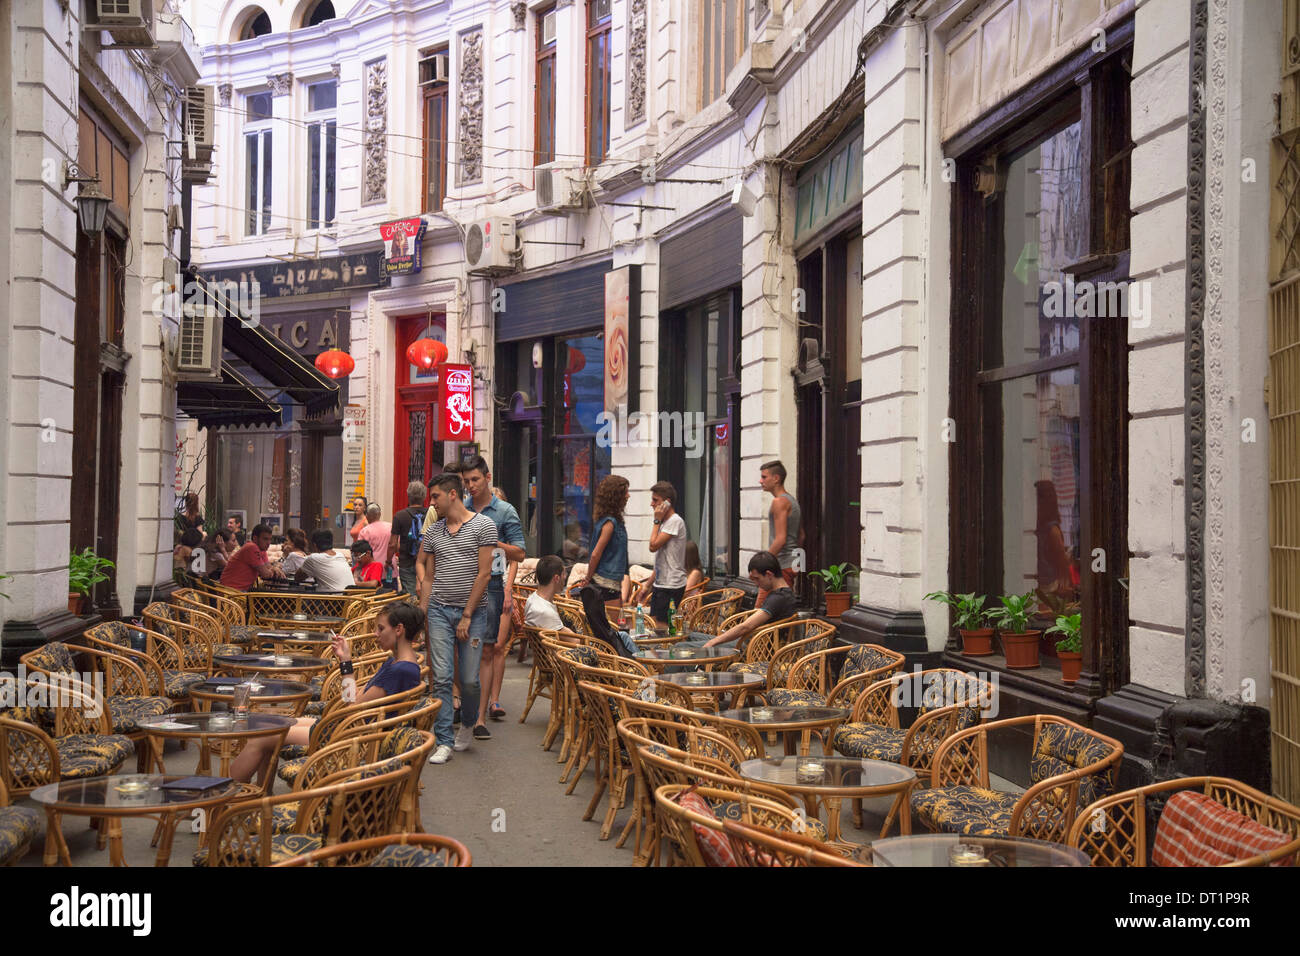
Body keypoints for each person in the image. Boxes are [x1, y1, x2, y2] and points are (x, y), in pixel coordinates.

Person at [228, 603, 424, 784]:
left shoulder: (399, 670)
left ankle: (224, 798)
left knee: (262, 735)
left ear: (399, 630)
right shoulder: (400, 664)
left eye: (381, 628)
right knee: (270, 724)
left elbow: (352, 707)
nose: (375, 634)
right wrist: (345, 661)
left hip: (354, 738)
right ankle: (259, 794)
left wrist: (346, 662)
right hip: (354, 730)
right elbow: (355, 698)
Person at [417, 472, 498, 764]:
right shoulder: (435, 532)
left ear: (452, 494)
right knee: (441, 677)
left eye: (436, 496)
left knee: (469, 679)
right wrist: (423, 613)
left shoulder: (484, 525)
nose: (432, 502)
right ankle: (444, 741)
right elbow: (429, 576)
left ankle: (467, 723)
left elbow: (485, 573)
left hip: (472, 614)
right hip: (439, 610)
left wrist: (466, 614)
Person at [462, 456, 526, 739]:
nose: (470, 486)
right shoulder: (460, 509)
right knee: (463, 649)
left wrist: (491, 541)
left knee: (488, 650)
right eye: (466, 481)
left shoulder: (504, 511)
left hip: (493, 587)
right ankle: (463, 705)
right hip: (462, 584)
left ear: (487, 478)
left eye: (475, 479)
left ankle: (479, 717)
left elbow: (520, 553)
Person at [695, 552, 797, 649]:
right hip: (746, 642)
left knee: (683, 647)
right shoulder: (784, 593)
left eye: (757, 579)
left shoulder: (778, 598)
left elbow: (745, 627)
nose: (756, 584)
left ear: (769, 574)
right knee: (690, 637)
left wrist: (713, 642)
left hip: (749, 647)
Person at [633, 481, 688, 623]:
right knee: (654, 623)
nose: (652, 504)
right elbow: (661, 559)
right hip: (661, 583)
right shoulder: (665, 523)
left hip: (671, 584)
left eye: (655, 500)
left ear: (667, 503)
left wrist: (656, 521)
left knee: (662, 627)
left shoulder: (675, 521)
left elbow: (653, 546)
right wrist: (648, 585)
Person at [758, 460, 802, 607]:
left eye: (764, 477)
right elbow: (801, 535)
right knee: (781, 611)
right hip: (790, 564)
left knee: (760, 612)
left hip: (780, 567)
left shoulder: (779, 502)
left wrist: (762, 564)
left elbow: (780, 539)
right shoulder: (792, 501)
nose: (760, 481)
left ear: (776, 478)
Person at [581, 475, 629, 603]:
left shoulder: (612, 521)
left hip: (611, 583)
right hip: (606, 583)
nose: (628, 496)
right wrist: (587, 578)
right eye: (625, 492)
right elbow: (596, 554)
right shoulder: (610, 523)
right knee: (612, 623)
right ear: (616, 496)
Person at [220, 523, 287, 591]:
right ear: (255, 538)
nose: (268, 542)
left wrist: (274, 568)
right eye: (265, 539)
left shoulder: (261, 549)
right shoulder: (251, 547)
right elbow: (265, 574)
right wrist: (274, 570)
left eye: (270, 539)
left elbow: (268, 567)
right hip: (231, 592)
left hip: (240, 591)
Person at [389, 481, 429, 596]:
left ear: (408, 495)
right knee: (427, 594)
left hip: (406, 562)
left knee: (410, 597)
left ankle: (412, 613)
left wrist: (388, 561)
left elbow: (392, 544)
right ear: (424, 496)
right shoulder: (431, 514)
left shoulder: (399, 516)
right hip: (427, 562)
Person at [357, 503, 393, 575]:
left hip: (372, 571)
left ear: (367, 515)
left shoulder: (364, 531)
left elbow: (360, 553)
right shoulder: (391, 527)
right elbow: (396, 547)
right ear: (379, 514)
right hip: (389, 570)